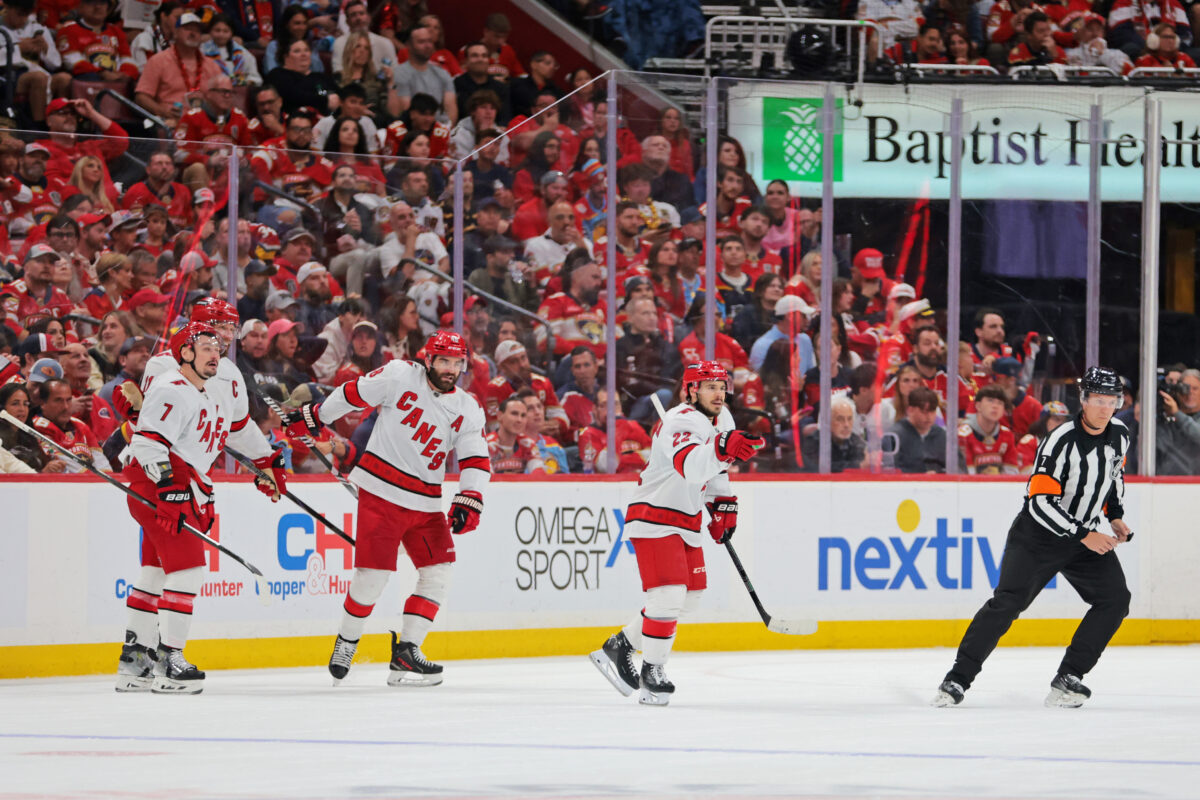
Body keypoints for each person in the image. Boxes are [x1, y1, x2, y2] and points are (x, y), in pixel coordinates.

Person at [283, 331, 491, 687]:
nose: (451, 369)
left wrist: (470, 496)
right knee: (372, 578)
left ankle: (407, 652)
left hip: (426, 503)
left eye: (457, 363)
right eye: (444, 361)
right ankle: (347, 642)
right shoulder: (399, 375)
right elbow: (353, 394)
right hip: (382, 493)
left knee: (438, 573)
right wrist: (317, 416)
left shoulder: (467, 407)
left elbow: (475, 457)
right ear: (429, 359)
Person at [933, 367, 1133, 709]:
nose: (1105, 407)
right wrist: (1084, 534)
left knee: (1115, 600)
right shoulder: (1060, 440)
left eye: (1112, 400)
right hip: (1038, 537)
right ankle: (956, 679)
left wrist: (1114, 515)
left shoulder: (1120, 434)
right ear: (1083, 400)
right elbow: (1039, 502)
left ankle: (1069, 677)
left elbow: (1112, 477)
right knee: (1008, 603)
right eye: (1098, 400)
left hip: (1085, 535)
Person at [116, 322, 283, 694]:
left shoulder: (205, 393)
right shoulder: (171, 389)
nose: (215, 352)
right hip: (164, 487)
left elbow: (229, 435)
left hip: (177, 487)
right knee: (188, 573)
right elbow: (147, 445)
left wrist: (265, 461)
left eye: (218, 347)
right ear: (185, 353)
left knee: (155, 573)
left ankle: (135, 663)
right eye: (206, 346)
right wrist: (168, 489)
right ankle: (169, 662)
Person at [589, 361, 762, 705]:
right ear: (690, 390)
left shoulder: (722, 419)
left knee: (691, 597)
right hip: (655, 514)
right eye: (709, 386)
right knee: (667, 596)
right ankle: (652, 673)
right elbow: (693, 466)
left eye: (721, 385)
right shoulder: (679, 422)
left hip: (687, 518)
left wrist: (724, 503)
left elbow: (715, 471)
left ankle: (620, 644)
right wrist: (722, 449)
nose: (718, 392)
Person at [958, 383, 1020, 474]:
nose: (995, 406)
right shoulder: (962, 435)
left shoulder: (1007, 435)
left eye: (1000, 403)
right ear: (978, 406)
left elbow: (1011, 473)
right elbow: (966, 475)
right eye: (990, 401)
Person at [889, 386, 947, 473]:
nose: (929, 417)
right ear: (910, 410)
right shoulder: (895, 436)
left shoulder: (942, 435)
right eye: (924, 412)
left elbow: (958, 468)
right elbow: (890, 469)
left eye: (933, 411)